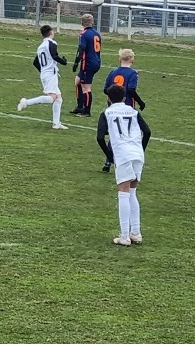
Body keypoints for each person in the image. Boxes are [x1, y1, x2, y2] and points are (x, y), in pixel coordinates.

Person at [98, 84, 152, 246]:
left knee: (123, 193)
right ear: (124, 98)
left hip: (123, 155)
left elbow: (100, 137)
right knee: (132, 192)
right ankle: (136, 232)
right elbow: (147, 132)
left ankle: (124, 236)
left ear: (108, 98)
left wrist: (110, 157)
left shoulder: (106, 113)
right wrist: (141, 149)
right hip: (137, 154)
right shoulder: (133, 112)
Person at [16, 24, 69, 130]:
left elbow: (35, 62)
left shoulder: (40, 47)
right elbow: (54, 56)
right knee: (52, 98)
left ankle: (56, 124)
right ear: (51, 33)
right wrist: (63, 62)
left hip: (46, 74)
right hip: (50, 74)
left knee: (59, 98)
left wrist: (43, 71)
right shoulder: (52, 43)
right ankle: (26, 102)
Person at [100, 48, 144, 171]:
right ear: (133, 60)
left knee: (114, 132)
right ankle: (127, 159)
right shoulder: (133, 74)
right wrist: (140, 101)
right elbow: (131, 89)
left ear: (119, 59)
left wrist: (112, 96)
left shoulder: (113, 72)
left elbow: (105, 89)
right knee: (128, 133)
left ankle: (108, 161)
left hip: (113, 106)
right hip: (127, 107)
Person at [70, 13, 101, 117]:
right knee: (77, 81)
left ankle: (86, 111)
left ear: (82, 23)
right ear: (92, 22)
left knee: (86, 88)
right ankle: (80, 106)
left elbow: (81, 49)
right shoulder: (97, 34)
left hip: (88, 64)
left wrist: (76, 62)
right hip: (96, 61)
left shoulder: (84, 34)